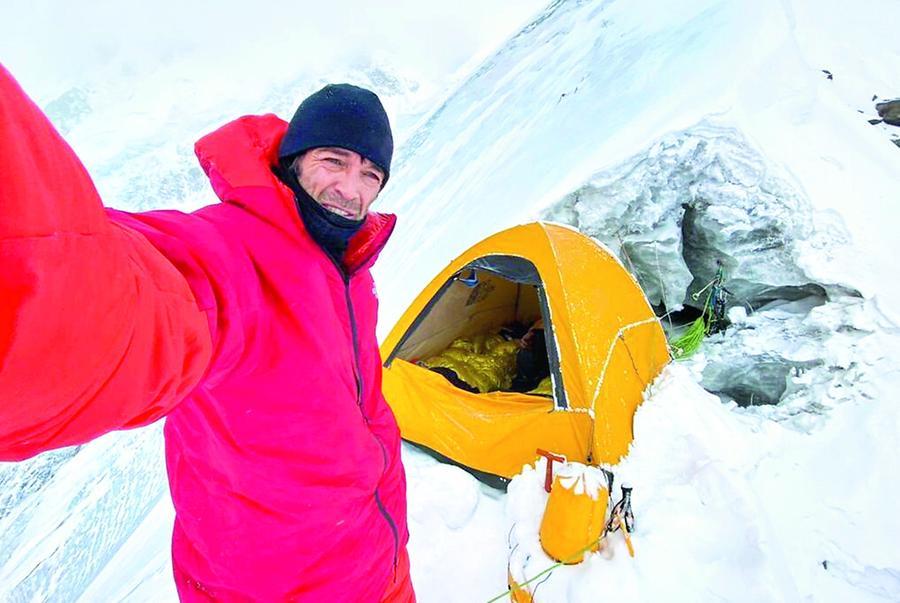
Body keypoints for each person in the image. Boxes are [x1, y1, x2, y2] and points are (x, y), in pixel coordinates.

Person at [0, 65, 413, 602]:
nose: (350, 190)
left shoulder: (346, 270)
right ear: (292, 164)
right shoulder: (234, 253)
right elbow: (128, 305)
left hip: (378, 569)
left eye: (370, 175)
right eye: (333, 161)